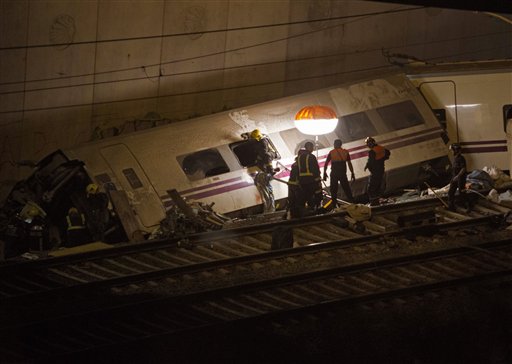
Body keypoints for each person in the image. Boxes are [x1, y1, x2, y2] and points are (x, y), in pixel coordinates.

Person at [250, 129, 278, 213]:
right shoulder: (257, 142)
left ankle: (270, 169)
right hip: (263, 156)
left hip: (271, 154)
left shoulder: (263, 141)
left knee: (265, 156)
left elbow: (264, 152)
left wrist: (270, 170)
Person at [323, 139, 355, 206]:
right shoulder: (345, 152)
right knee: (346, 189)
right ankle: (353, 203)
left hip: (334, 173)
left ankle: (334, 205)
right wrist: (352, 173)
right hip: (342, 173)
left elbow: (326, 163)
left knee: (333, 190)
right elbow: (349, 163)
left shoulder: (332, 152)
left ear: (336, 144)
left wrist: (324, 173)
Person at [364, 137, 390, 206]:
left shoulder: (372, 152)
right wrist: (382, 159)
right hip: (381, 169)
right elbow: (387, 154)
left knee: (371, 187)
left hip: (375, 172)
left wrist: (367, 167)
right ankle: (377, 200)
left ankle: (374, 202)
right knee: (378, 186)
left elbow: (370, 162)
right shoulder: (381, 148)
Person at [297, 142, 322, 211]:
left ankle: (308, 211)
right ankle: (317, 209)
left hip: (302, 181)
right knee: (317, 194)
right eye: (312, 147)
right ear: (308, 147)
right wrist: (318, 180)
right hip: (311, 180)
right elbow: (315, 169)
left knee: (307, 196)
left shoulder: (299, 157)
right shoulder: (311, 156)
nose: (313, 149)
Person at [447, 143, 467, 211]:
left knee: (461, 193)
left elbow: (463, 168)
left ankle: (463, 206)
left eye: (452, 150)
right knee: (450, 192)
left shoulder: (461, 158)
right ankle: (451, 207)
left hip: (460, 179)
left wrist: (458, 176)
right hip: (454, 178)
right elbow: (455, 167)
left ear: (456, 150)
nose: (451, 152)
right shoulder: (455, 158)